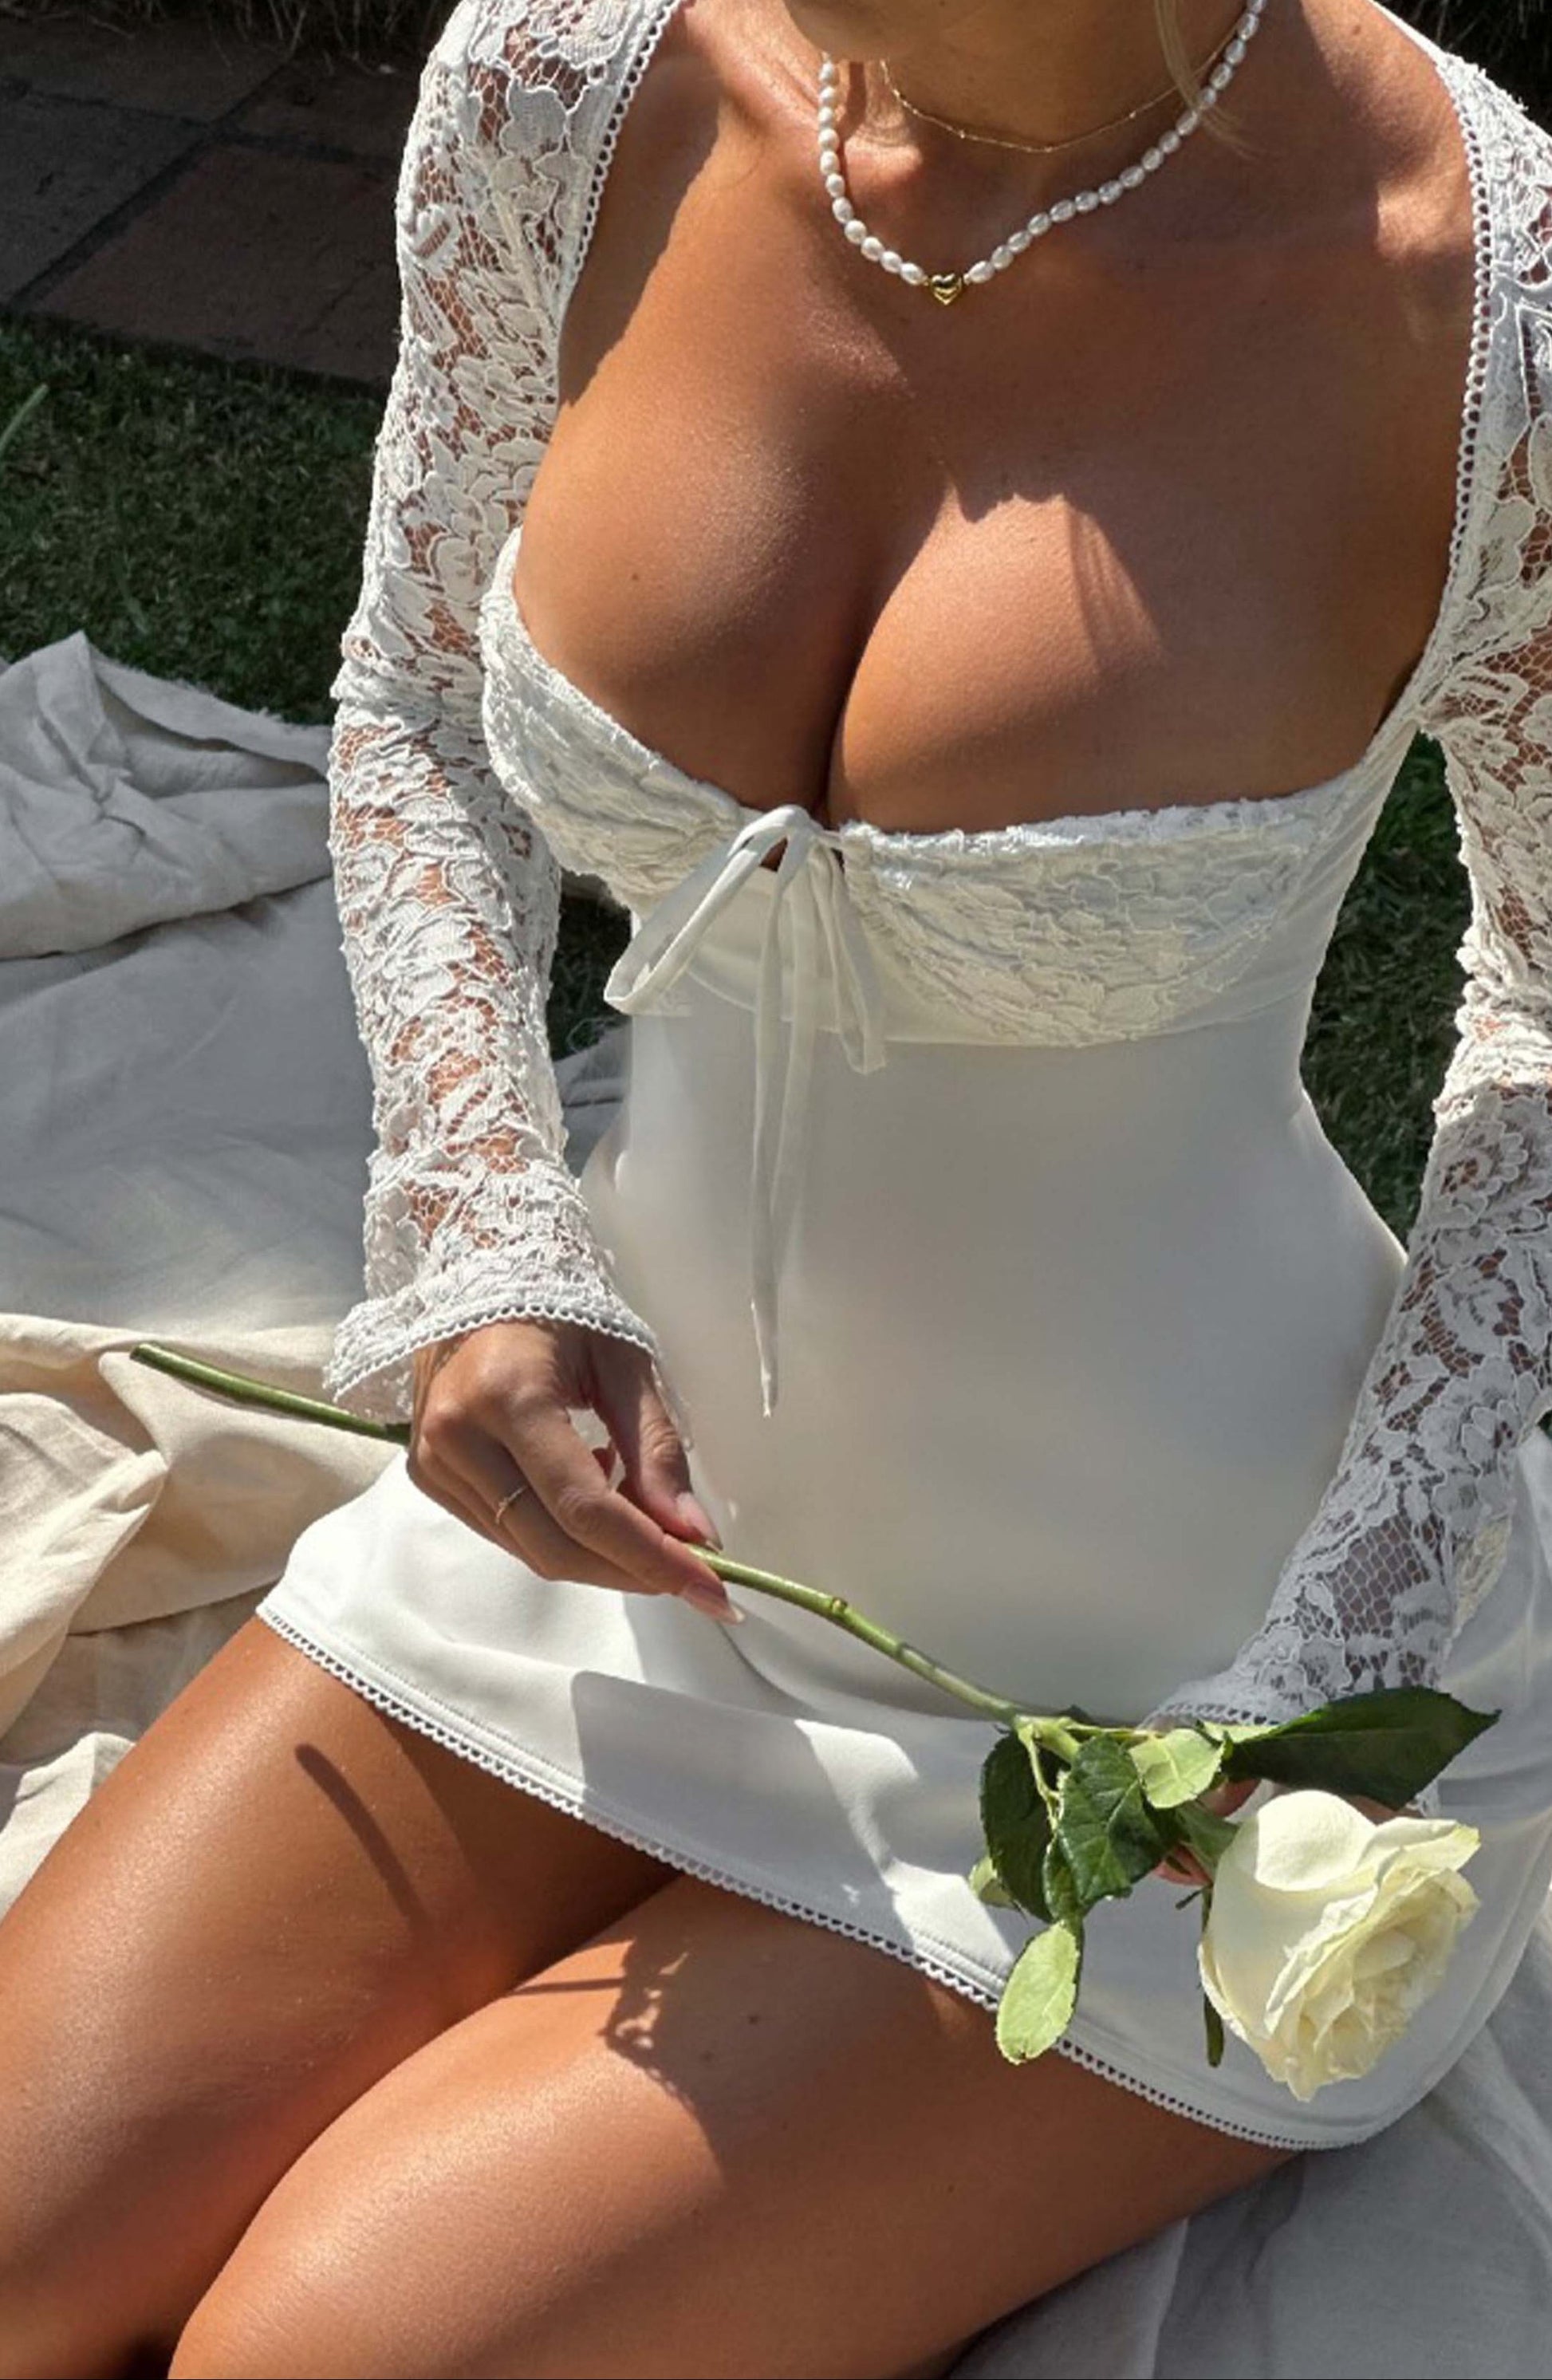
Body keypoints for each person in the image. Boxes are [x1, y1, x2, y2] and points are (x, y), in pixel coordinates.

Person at [2, 0, 1551, 2371]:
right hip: (600, 1546)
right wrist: (486, 1224)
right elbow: (415, 704)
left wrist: (1332, 1658)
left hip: (1167, 1684)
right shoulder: (570, 81)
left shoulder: (1480, 292)